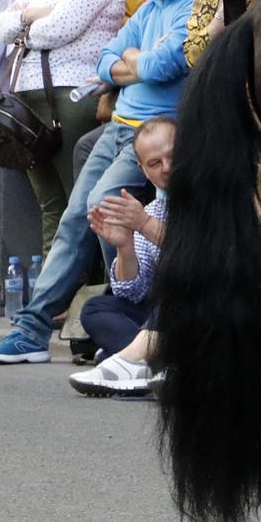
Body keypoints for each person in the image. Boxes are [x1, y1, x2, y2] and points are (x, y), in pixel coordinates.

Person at [0, 0, 206, 365]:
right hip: (121, 124)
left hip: (154, 130)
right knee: (75, 218)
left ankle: (116, 305)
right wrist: (134, 62)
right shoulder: (152, 6)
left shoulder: (197, 0)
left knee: (98, 209)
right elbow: (107, 61)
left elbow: (161, 65)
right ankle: (34, 329)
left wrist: (134, 61)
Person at [0, 0, 125, 252]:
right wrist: (30, 15)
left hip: (72, 95)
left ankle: (86, 288)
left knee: (79, 200)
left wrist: (28, 22)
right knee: (50, 202)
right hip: (26, 97)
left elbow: (60, 28)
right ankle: (53, 297)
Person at [74, 119, 177, 365]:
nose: (167, 167)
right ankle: (145, 359)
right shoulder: (151, 210)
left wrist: (144, 224)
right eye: (155, 163)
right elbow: (133, 292)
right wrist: (124, 246)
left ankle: (126, 357)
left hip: (207, 306)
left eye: (173, 156)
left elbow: (202, 255)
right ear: (143, 171)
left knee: (172, 305)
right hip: (160, 318)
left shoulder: (213, 194)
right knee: (95, 309)